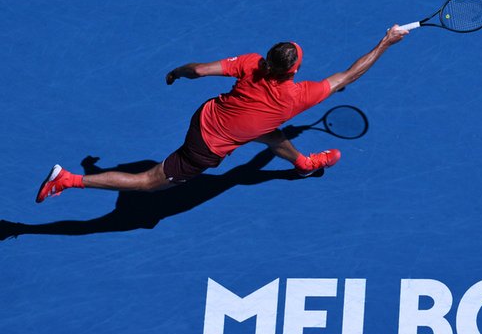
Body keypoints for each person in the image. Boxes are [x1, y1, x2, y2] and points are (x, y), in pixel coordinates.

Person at [35, 25, 409, 203]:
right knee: (149, 182)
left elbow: (198, 70)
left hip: (206, 115)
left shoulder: (251, 63)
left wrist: (176, 72)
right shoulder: (299, 97)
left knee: (267, 130)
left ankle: (303, 163)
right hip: (207, 147)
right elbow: (349, 75)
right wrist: (385, 43)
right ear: (294, 70)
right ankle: (69, 180)